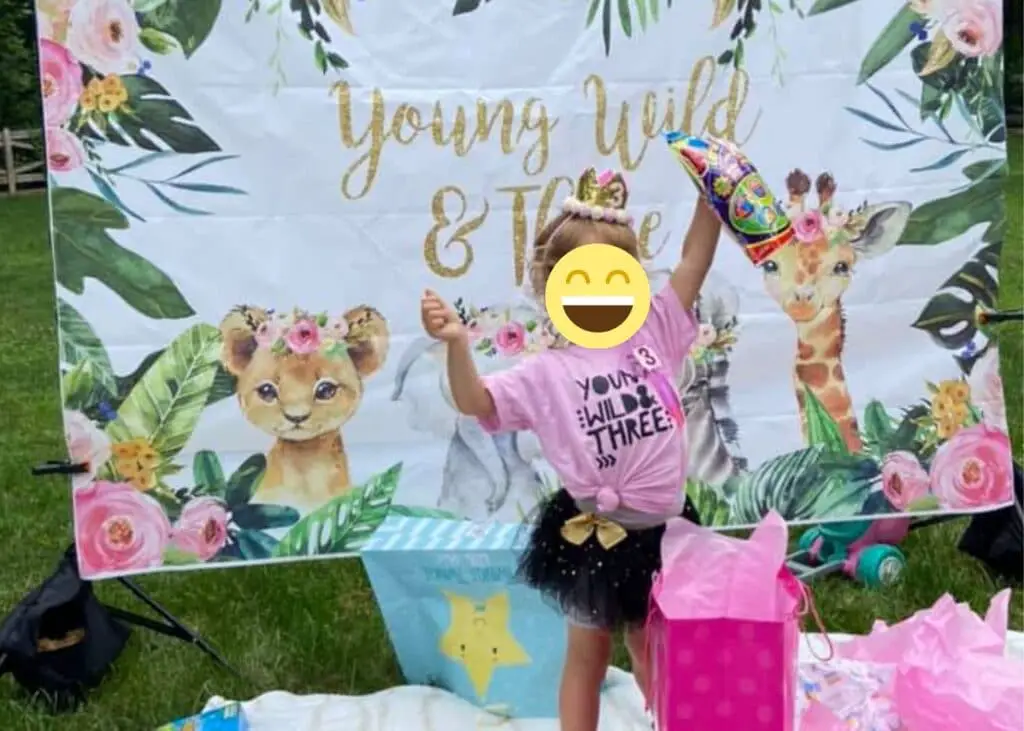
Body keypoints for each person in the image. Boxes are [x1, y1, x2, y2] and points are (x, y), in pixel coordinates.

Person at [420, 167, 721, 731]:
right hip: (594, 535)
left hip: (664, 529)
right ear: (552, 288)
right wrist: (458, 344)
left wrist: (714, 197)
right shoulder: (545, 372)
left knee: (655, 645)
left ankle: (671, 720)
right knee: (588, 652)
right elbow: (475, 401)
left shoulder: (654, 332)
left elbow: (692, 264)